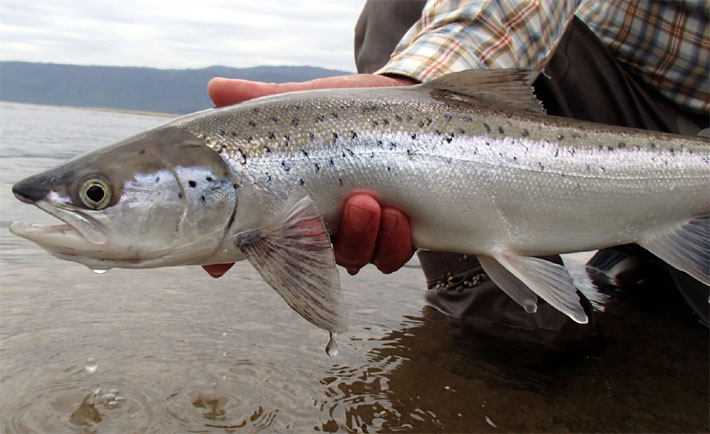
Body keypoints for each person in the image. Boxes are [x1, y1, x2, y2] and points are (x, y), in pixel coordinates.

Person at [203, 1, 709, 340]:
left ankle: (649, 256)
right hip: (592, 74)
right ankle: (511, 316)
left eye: (115, 195)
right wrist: (411, 87)